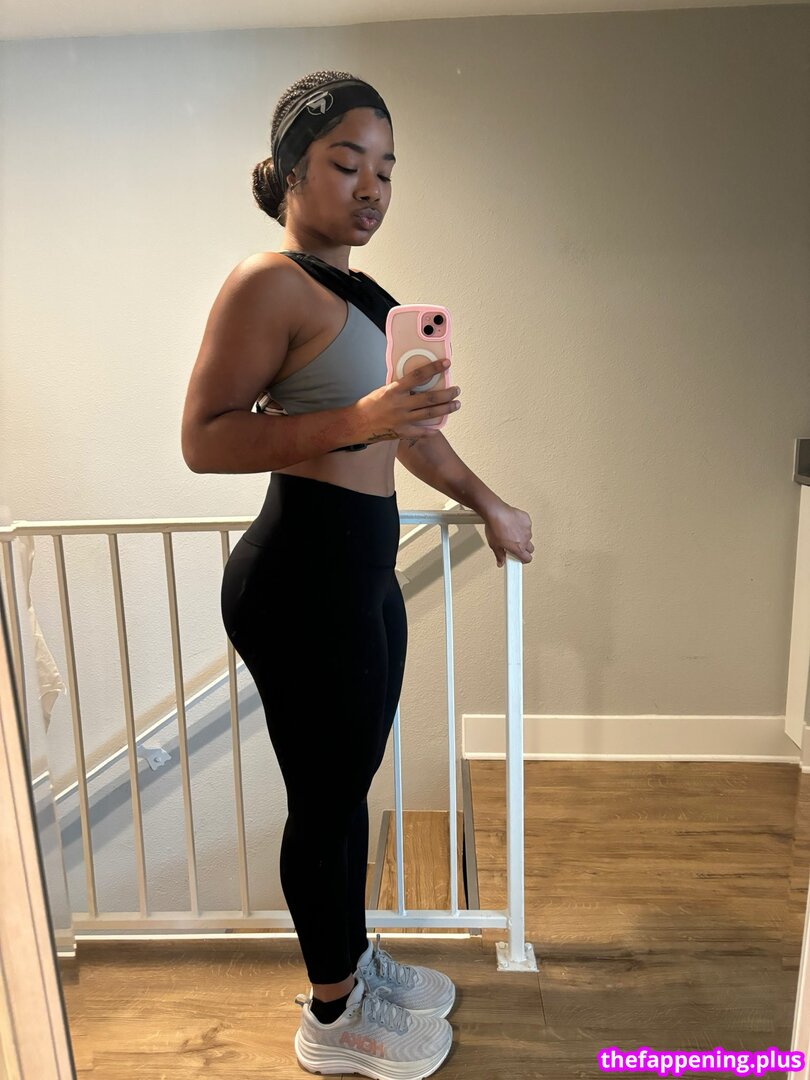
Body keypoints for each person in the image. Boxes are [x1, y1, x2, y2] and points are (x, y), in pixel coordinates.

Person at [181, 69, 533, 1080]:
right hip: (299, 574)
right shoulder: (266, 282)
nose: (372, 186)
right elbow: (205, 440)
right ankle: (333, 1018)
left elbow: (408, 439)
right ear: (293, 169)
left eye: (385, 168)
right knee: (325, 801)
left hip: (362, 569)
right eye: (347, 163)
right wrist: (359, 419)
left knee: (348, 790)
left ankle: (353, 959)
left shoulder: (368, 297)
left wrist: (488, 502)